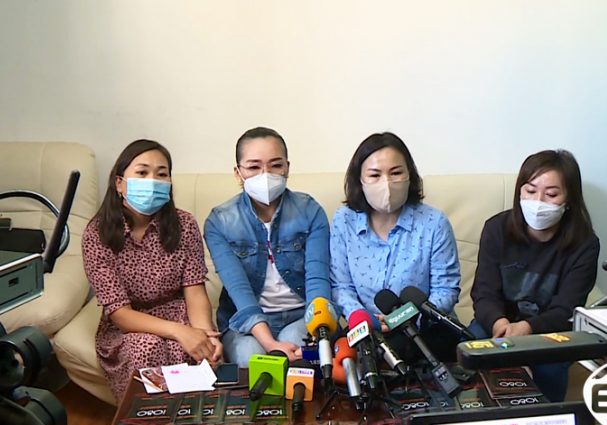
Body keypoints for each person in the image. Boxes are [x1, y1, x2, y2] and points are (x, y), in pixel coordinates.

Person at [83, 139, 222, 401]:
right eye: (142, 172)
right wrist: (180, 331)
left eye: (161, 174)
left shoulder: (184, 224)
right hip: (130, 325)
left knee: (193, 352)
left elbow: (194, 291)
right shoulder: (97, 234)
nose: (152, 181)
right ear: (119, 183)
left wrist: (205, 336)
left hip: (178, 313)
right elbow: (120, 314)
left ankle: (188, 419)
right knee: (146, 347)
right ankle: (148, 419)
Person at [471, 149, 599, 402]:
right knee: (469, 350)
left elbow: (566, 309)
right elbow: (484, 293)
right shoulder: (496, 229)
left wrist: (527, 329)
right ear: (519, 192)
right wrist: (501, 327)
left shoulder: (584, 244)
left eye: (551, 194)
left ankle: (546, 419)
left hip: (550, 331)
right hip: (498, 324)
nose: (538, 201)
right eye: (530, 191)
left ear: (569, 199)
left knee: (550, 367)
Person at [204, 127, 330, 365]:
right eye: (254, 167)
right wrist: (271, 344)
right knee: (252, 359)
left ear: (287, 168)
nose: (265, 174)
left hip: (302, 316)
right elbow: (239, 291)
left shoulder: (310, 211)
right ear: (238, 173)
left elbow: (318, 279)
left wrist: (319, 331)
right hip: (245, 323)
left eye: (275, 165)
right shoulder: (219, 221)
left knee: (298, 355)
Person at [330, 132, 461, 359]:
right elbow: (341, 286)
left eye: (396, 173)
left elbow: (446, 290)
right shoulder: (344, 220)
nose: (387, 184)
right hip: (366, 329)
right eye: (375, 175)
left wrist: (400, 319)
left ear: (410, 175)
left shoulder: (434, 223)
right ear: (360, 180)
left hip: (423, 330)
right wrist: (361, 318)